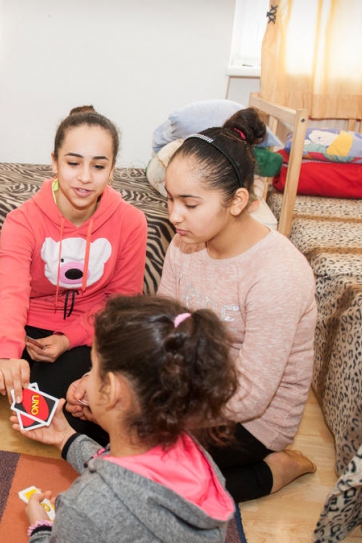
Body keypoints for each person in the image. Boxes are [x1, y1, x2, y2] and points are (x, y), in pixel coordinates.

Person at [67, 108, 319, 503]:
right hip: (189, 388)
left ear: (237, 201)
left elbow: (251, 395)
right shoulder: (184, 244)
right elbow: (164, 332)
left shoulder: (278, 275)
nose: (173, 216)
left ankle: (273, 470)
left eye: (189, 203)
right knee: (85, 415)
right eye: (169, 199)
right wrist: (104, 382)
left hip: (251, 418)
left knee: (152, 478)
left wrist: (148, 409)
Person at [0, 106, 148, 440]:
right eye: (73, 163)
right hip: (28, 319)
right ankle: (23, 371)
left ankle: (42, 377)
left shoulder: (131, 222)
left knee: (37, 413)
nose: (85, 177)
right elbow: (11, 293)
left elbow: (120, 306)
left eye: (98, 166)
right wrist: (4, 355)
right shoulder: (22, 220)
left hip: (88, 332)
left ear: (112, 170)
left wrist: (68, 338)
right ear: (55, 162)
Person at [14, 295, 238, 542]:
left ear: (110, 389)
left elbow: (106, 498)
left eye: (93, 367)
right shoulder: (197, 458)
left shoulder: (85, 507)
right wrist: (66, 437)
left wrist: (40, 528)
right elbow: (126, 472)